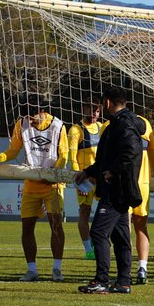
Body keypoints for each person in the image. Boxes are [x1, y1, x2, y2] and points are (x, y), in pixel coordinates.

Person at [0, 97, 68, 282]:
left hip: (53, 185)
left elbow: (64, 155)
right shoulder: (21, 124)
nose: (30, 121)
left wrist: (54, 173)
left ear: (42, 111)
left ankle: (57, 269)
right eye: (27, 118)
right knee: (27, 228)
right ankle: (31, 270)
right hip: (31, 183)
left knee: (56, 226)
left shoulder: (58, 126)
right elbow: (11, 152)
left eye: (32, 118)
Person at [76, 87, 145, 294]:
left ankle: (102, 280)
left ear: (107, 103)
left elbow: (132, 150)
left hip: (117, 189)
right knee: (121, 237)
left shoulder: (122, 124)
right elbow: (105, 158)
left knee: (98, 232)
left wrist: (112, 172)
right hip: (120, 188)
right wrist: (88, 171)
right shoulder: (119, 123)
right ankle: (124, 282)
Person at [67, 98, 102, 260]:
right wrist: (78, 182)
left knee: (105, 213)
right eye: (91, 110)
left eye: (97, 111)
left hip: (101, 178)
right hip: (85, 180)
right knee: (85, 213)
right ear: (83, 108)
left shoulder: (102, 127)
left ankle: (98, 242)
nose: (94, 114)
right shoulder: (76, 130)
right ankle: (88, 249)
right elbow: (72, 157)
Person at [129, 111, 154, 284]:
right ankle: (142, 268)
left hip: (124, 183)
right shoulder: (145, 123)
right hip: (143, 184)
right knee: (141, 226)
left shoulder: (109, 125)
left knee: (124, 226)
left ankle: (125, 268)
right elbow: (152, 152)